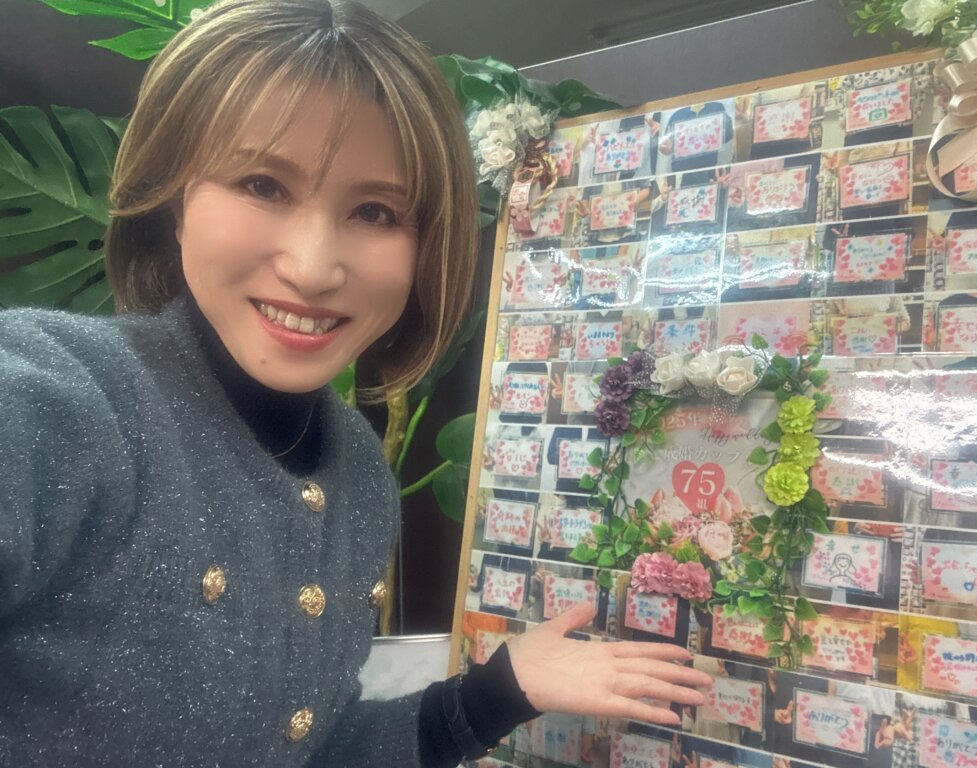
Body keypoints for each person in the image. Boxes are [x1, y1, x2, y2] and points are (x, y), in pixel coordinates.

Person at [0, 1, 713, 765]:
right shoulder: (65, 399)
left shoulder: (359, 479)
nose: (313, 268)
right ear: (174, 202)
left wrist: (498, 692)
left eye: (375, 211)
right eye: (263, 185)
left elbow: (307, 751)